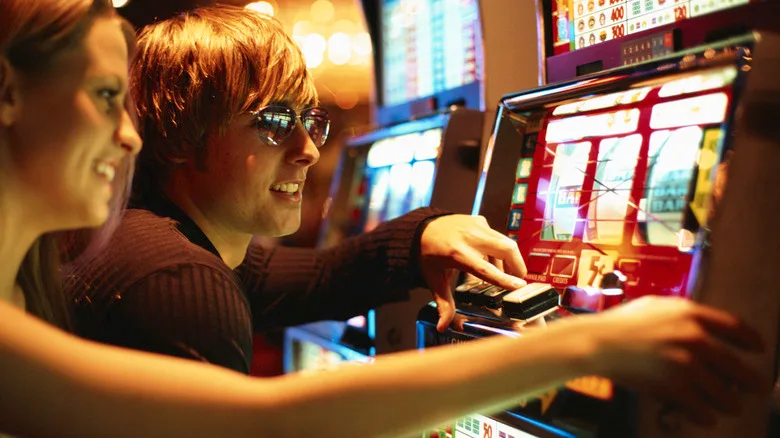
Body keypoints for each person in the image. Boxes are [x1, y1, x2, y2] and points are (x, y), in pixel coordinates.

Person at [0, 2, 768, 437]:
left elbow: (305, 275)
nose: (306, 149)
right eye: (272, 122)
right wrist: (587, 340)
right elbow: (271, 421)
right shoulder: (168, 272)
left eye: (310, 121)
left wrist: (426, 235)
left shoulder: (152, 244)